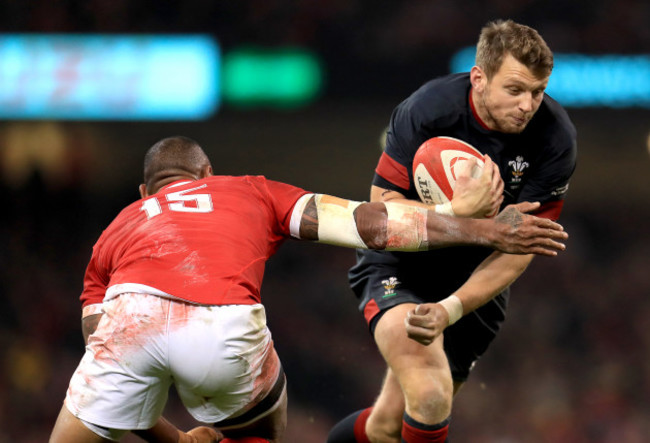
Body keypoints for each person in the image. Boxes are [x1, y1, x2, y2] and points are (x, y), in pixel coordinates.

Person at [49, 135, 568, 443]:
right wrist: (482, 229)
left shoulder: (119, 223)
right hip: (219, 322)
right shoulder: (247, 188)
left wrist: (178, 439)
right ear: (208, 173)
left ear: (146, 192)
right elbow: (369, 225)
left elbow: (104, 337)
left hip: (127, 317)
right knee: (260, 428)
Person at [327, 19, 577, 443]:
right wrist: (459, 216)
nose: (528, 105)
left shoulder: (555, 139)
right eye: (514, 90)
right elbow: (381, 215)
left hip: (474, 283)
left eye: (538, 91)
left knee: (388, 424)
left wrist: (452, 308)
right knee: (429, 395)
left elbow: (518, 247)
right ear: (479, 78)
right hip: (401, 264)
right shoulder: (427, 110)